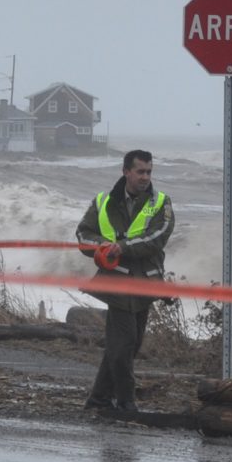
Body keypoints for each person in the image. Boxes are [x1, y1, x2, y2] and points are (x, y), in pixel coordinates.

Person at [77, 149, 175, 414]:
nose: (145, 177)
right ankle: (126, 402)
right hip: (116, 284)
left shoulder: (161, 203)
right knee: (124, 345)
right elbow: (83, 235)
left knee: (129, 345)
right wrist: (101, 246)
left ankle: (98, 398)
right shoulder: (102, 201)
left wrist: (121, 247)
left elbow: (157, 237)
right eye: (140, 171)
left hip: (146, 284)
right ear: (126, 172)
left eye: (149, 172)